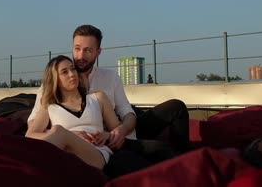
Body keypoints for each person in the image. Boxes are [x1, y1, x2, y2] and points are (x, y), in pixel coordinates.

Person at [28, 25, 190, 161]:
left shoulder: (110, 77)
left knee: (176, 107)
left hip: (119, 133)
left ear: (98, 52)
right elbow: (34, 125)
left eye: (88, 50)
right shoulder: (54, 83)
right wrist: (69, 136)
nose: (80, 56)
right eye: (77, 49)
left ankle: (187, 160)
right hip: (92, 145)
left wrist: (121, 131)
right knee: (156, 151)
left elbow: (128, 113)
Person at [25, 55, 122, 169]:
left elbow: (118, 132)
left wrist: (105, 135)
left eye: (73, 69)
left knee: (58, 130)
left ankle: (25, 168)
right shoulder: (49, 106)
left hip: (95, 154)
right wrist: (70, 135)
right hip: (64, 156)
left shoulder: (98, 98)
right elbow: (30, 135)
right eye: (64, 72)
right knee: (58, 132)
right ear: (55, 79)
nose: (71, 74)